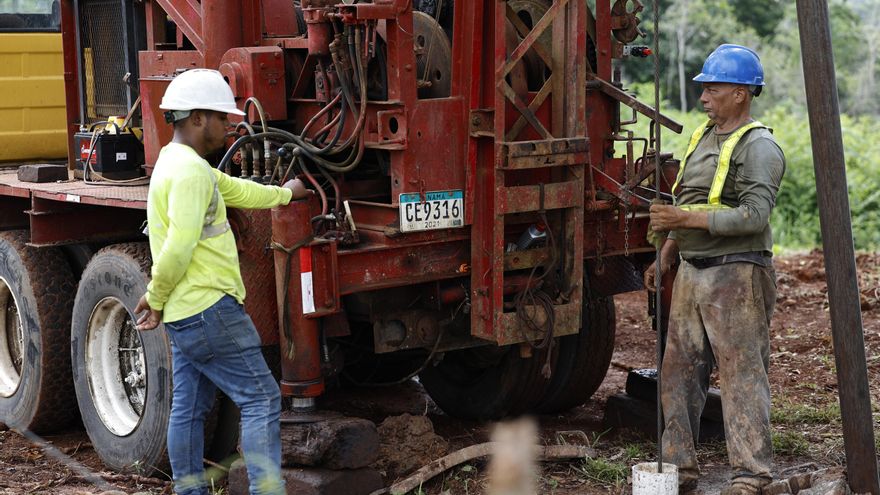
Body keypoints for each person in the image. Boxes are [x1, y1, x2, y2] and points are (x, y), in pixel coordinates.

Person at [134, 68, 311, 495]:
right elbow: (178, 248)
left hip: (184, 313)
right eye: (220, 118)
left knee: (188, 409)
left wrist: (285, 194)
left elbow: (236, 190)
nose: (228, 126)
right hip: (209, 309)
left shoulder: (177, 163)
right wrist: (153, 297)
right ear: (197, 118)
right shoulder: (192, 174)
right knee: (261, 398)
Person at [644, 44, 786, 495]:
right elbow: (689, 199)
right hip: (693, 271)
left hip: (737, 274)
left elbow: (754, 217)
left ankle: (751, 475)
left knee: (741, 376)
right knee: (678, 373)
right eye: (703, 88)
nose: (704, 97)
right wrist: (668, 250)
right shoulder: (704, 136)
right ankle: (678, 469)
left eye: (713, 89)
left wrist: (683, 221)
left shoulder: (759, 147)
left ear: (741, 93)